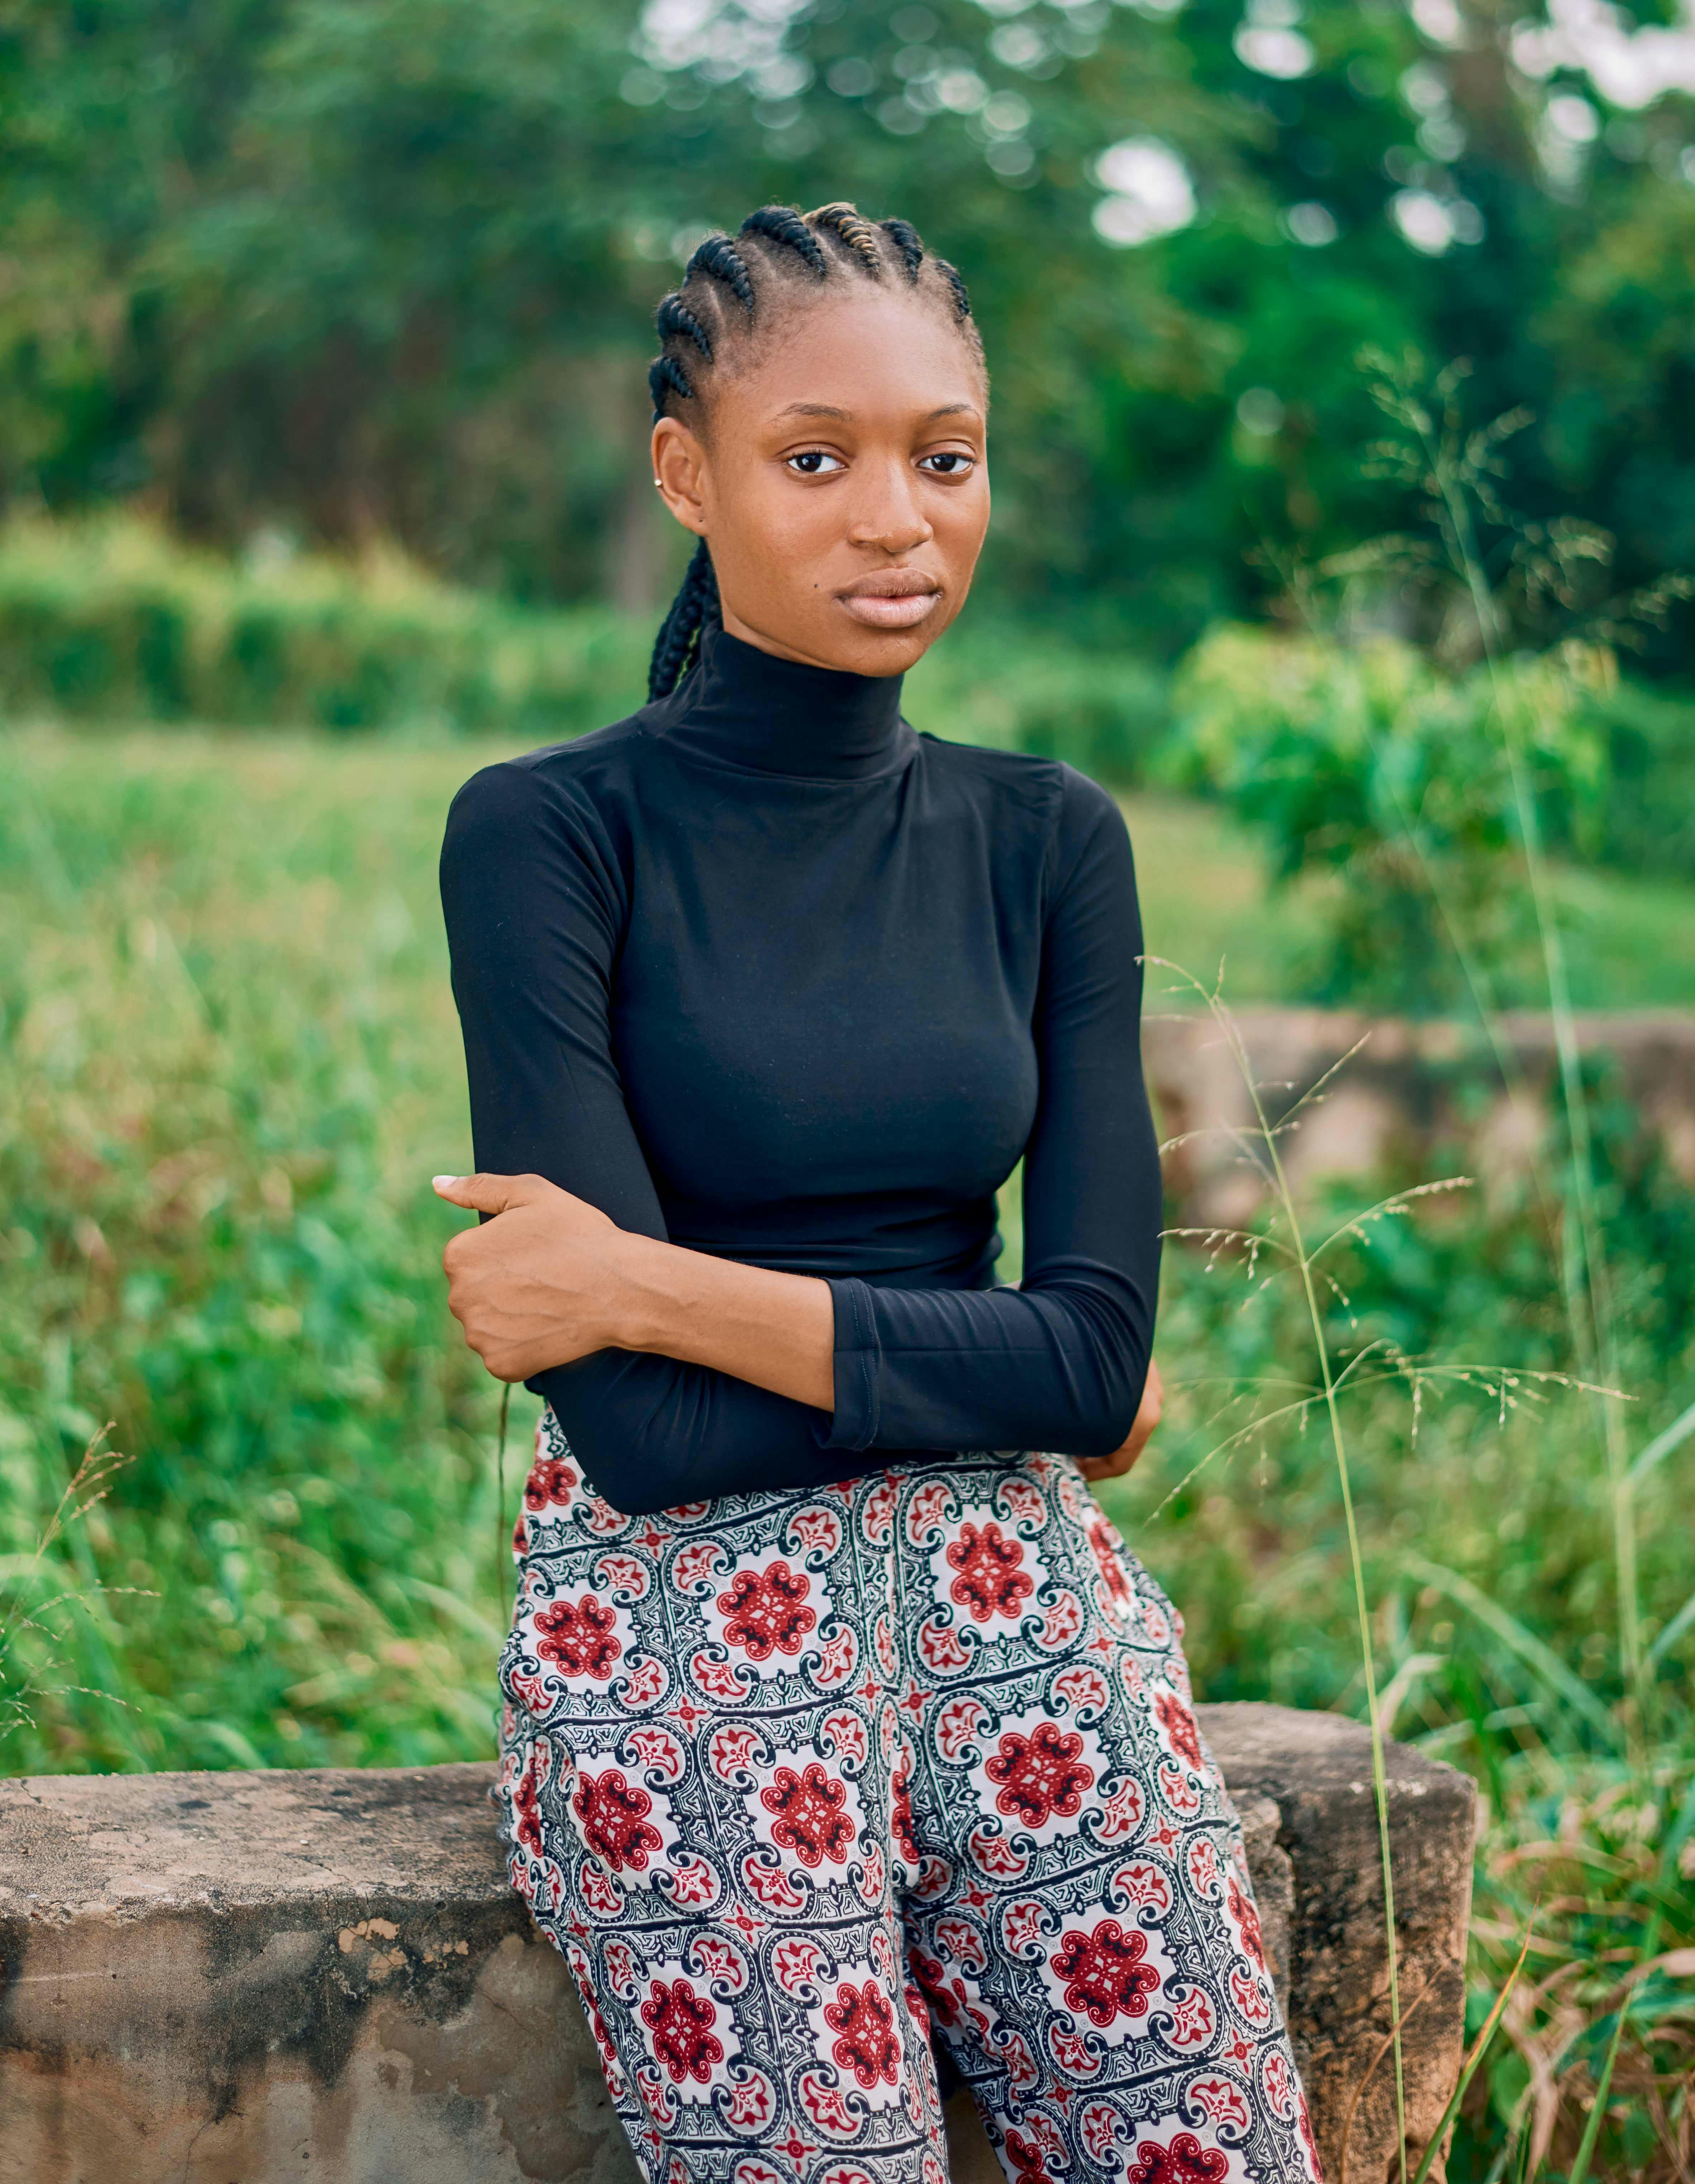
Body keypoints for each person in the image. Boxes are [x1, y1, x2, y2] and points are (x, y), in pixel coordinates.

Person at [436, 201, 1320, 2184]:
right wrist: (995, 1365)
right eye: (814, 456)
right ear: (692, 473)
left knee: (1214, 2155)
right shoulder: (549, 836)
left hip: (1029, 1609)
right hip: (679, 1640)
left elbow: (1097, 1366)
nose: (895, 519)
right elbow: (650, 1446)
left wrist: (644, 1284)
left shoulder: (1049, 840)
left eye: (947, 454)